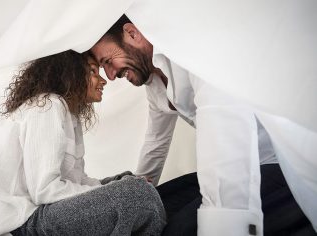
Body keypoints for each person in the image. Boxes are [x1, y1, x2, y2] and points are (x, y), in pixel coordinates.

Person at [91, 15, 314, 236]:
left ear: (132, 33)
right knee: (158, 203)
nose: (110, 76)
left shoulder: (192, 51)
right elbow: (156, 142)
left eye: (108, 62)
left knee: (182, 229)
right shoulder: (154, 85)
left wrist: (223, 218)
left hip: (278, 160)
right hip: (246, 160)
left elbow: (225, 135)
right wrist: (138, 193)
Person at [0, 50, 166, 236]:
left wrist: (118, 183)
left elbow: (78, 181)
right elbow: (44, 191)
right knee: (137, 194)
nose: (103, 81)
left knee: (131, 182)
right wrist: (120, 189)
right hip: (23, 221)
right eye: (93, 71)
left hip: (44, 210)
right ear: (70, 73)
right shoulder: (48, 106)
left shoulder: (70, 113)